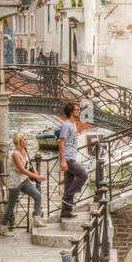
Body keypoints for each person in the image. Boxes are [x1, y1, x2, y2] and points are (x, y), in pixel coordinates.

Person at [0, 133, 46, 237]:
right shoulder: (15, 154)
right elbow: (22, 170)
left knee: (37, 195)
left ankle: (36, 219)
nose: (27, 141)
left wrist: (36, 172)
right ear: (19, 141)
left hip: (24, 181)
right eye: (25, 140)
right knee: (11, 205)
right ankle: (3, 228)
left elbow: (29, 165)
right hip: (15, 181)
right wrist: (38, 177)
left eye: (26, 140)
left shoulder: (25, 151)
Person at [58, 98, 88, 229]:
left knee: (69, 182)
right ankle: (68, 197)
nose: (79, 111)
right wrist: (63, 160)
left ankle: (66, 212)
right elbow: (61, 142)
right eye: (77, 109)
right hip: (68, 158)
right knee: (83, 175)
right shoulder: (66, 125)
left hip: (72, 156)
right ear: (71, 111)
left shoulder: (74, 124)